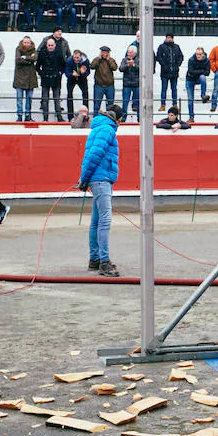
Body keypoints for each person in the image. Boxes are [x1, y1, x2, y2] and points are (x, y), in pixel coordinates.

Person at [76, 103, 123, 278]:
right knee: (104, 220)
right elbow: (94, 155)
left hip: (97, 179)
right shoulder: (107, 129)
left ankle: (95, 259)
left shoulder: (99, 128)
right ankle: (104, 261)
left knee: (96, 221)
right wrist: (84, 178)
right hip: (101, 180)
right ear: (117, 118)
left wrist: (85, 178)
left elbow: (91, 155)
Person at [37, 37, 65, 122]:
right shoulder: (42, 53)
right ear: (46, 45)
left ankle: (59, 117)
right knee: (45, 99)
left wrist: (60, 73)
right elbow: (37, 66)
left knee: (57, 99)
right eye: (49, 45)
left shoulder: (59, 53)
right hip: (45, 78)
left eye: (52, 45)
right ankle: (45, 118)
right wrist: (42, 74)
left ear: (55, 45)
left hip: (56, 78)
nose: (50, 46)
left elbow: (63, 65)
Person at [155, 33, 183, 111]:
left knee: (174, 89)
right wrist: (164, 66)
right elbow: (158, 57)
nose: (169, 39)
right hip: (165, 72)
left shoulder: (177, 47)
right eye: (168, 37)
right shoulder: (161, 47)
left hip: (174, 72)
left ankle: (175, 105)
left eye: (170, 38)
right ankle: (163, 105)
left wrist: (177, 65)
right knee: (164, 89)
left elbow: (181, 57)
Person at [13, 36, 38, 122]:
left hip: (30, 79)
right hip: (19, 78)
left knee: (29, 99)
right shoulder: (18, 49)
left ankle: (28, 115)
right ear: (22, 42)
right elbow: (18, 60)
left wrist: (25, 57)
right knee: (19, 98)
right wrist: (29, 59)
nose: (27, 44)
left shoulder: (34, 49)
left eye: (28, 43)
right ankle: (19, 116)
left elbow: (35, 59)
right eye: (25, 42)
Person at [185, 46, 210, 123]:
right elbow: (191, 71)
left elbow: (207, 73)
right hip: (190, 79)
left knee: (203, 77)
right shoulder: (191, 60)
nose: (198, 56)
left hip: (198, 78)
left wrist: (198, 72)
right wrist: (201, 71)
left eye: (200, 54)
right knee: (190, 99)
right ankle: (191, 117)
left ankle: (203, 95)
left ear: (203, 54)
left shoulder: (207, 61)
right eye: (197, 54)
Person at [90, 46, 118, 115]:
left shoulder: (111, 60)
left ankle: (109, 119)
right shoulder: (97, 59)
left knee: (110, 104)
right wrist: (98, 59)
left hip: (109, 86)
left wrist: (109, 60)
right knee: (97, 104)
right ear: (101, 53)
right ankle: (95, 118)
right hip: (99, 85)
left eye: (106, 53)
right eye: (103, 52)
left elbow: (114, 68)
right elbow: (92, 66)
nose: (105, 54)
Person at [65, 49, 90, 122]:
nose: (76, 59)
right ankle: (70, 116)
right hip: (72, 79)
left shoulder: (85, 61)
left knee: (85, 94)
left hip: (82, 78)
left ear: (81, 56)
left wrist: (82, 73)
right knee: (69, 95)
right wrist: (72, 74)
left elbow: (88, 72)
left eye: (77, 58)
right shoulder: (69, 60)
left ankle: (85, 115)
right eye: (74, 58)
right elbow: (67, 73)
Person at [120, 45, 140, 119]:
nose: (128, 53)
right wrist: (127, 65)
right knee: (125, 102)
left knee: (138, 102)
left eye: (130, 52)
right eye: (128, 52)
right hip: (126, 85)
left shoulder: (138, 60)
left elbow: (141, 69)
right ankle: (123, 118)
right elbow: (121, 69)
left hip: (137, 84)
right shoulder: (124, 60)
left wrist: (134, 65)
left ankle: (139, 118)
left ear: (134, 53)